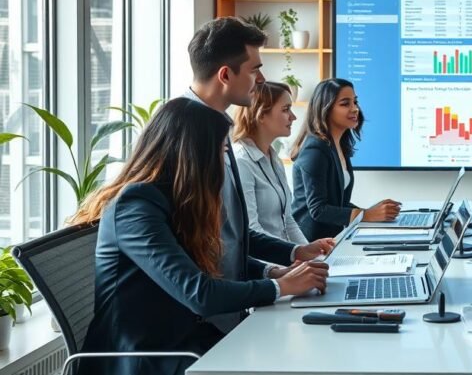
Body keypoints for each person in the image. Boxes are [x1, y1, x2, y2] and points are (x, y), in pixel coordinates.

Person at [73, 99, 328, 375]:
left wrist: (274, 273)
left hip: (183, 337)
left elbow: (215, 258)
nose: (223, 159)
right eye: (221, 149)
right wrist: (283, 287)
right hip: (143, 357)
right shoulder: (135, 207)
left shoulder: (175, 199)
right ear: (195, 154)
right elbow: (199, 293)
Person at [186, 17, 333, 333]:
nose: (261, 78)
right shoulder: (190, 138)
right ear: (226, 74)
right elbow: (198, 275)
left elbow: (231, 239)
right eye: (254, 69)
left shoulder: (218, 131)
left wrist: (290, 260)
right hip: (204, 328)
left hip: (232, 308)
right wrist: (280, 280)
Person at [291, 78, 401, 241]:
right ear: (326, 109)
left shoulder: (338, 144)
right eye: (345, 104)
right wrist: (366, 215)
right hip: (311, 244)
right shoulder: (314, 150)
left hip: (333, 238)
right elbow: (319, 210)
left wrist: (373, 213)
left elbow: (338, 203)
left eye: (355, 102)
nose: (355, 109)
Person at [232, 81, 307, 244]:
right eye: (286, 109)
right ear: (261, 115)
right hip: (267, 265)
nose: (293, 117)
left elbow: (287, 221)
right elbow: (251, 230)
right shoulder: (241, 162)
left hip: (286, 260)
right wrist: (293, 255)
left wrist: (313, 256)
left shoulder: (275, 159)